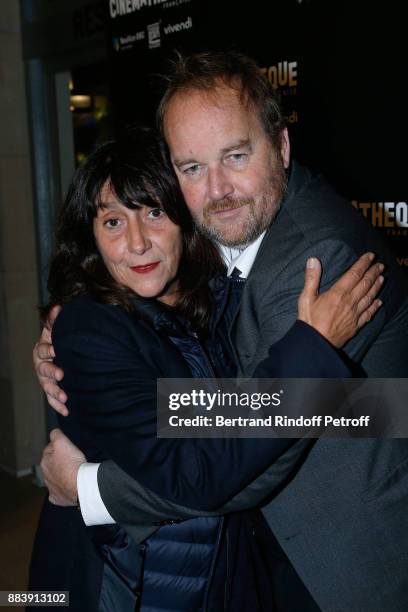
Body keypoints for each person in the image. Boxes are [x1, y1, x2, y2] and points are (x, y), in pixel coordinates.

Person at [34, 51, 408, 611]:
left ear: (280, 147)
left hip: (335, 562)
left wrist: (91, 489)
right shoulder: (215, 239)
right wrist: (73, 346)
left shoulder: (317, 261)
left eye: (236, 155)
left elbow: (239, 455)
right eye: (191, 168)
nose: (218, 189)